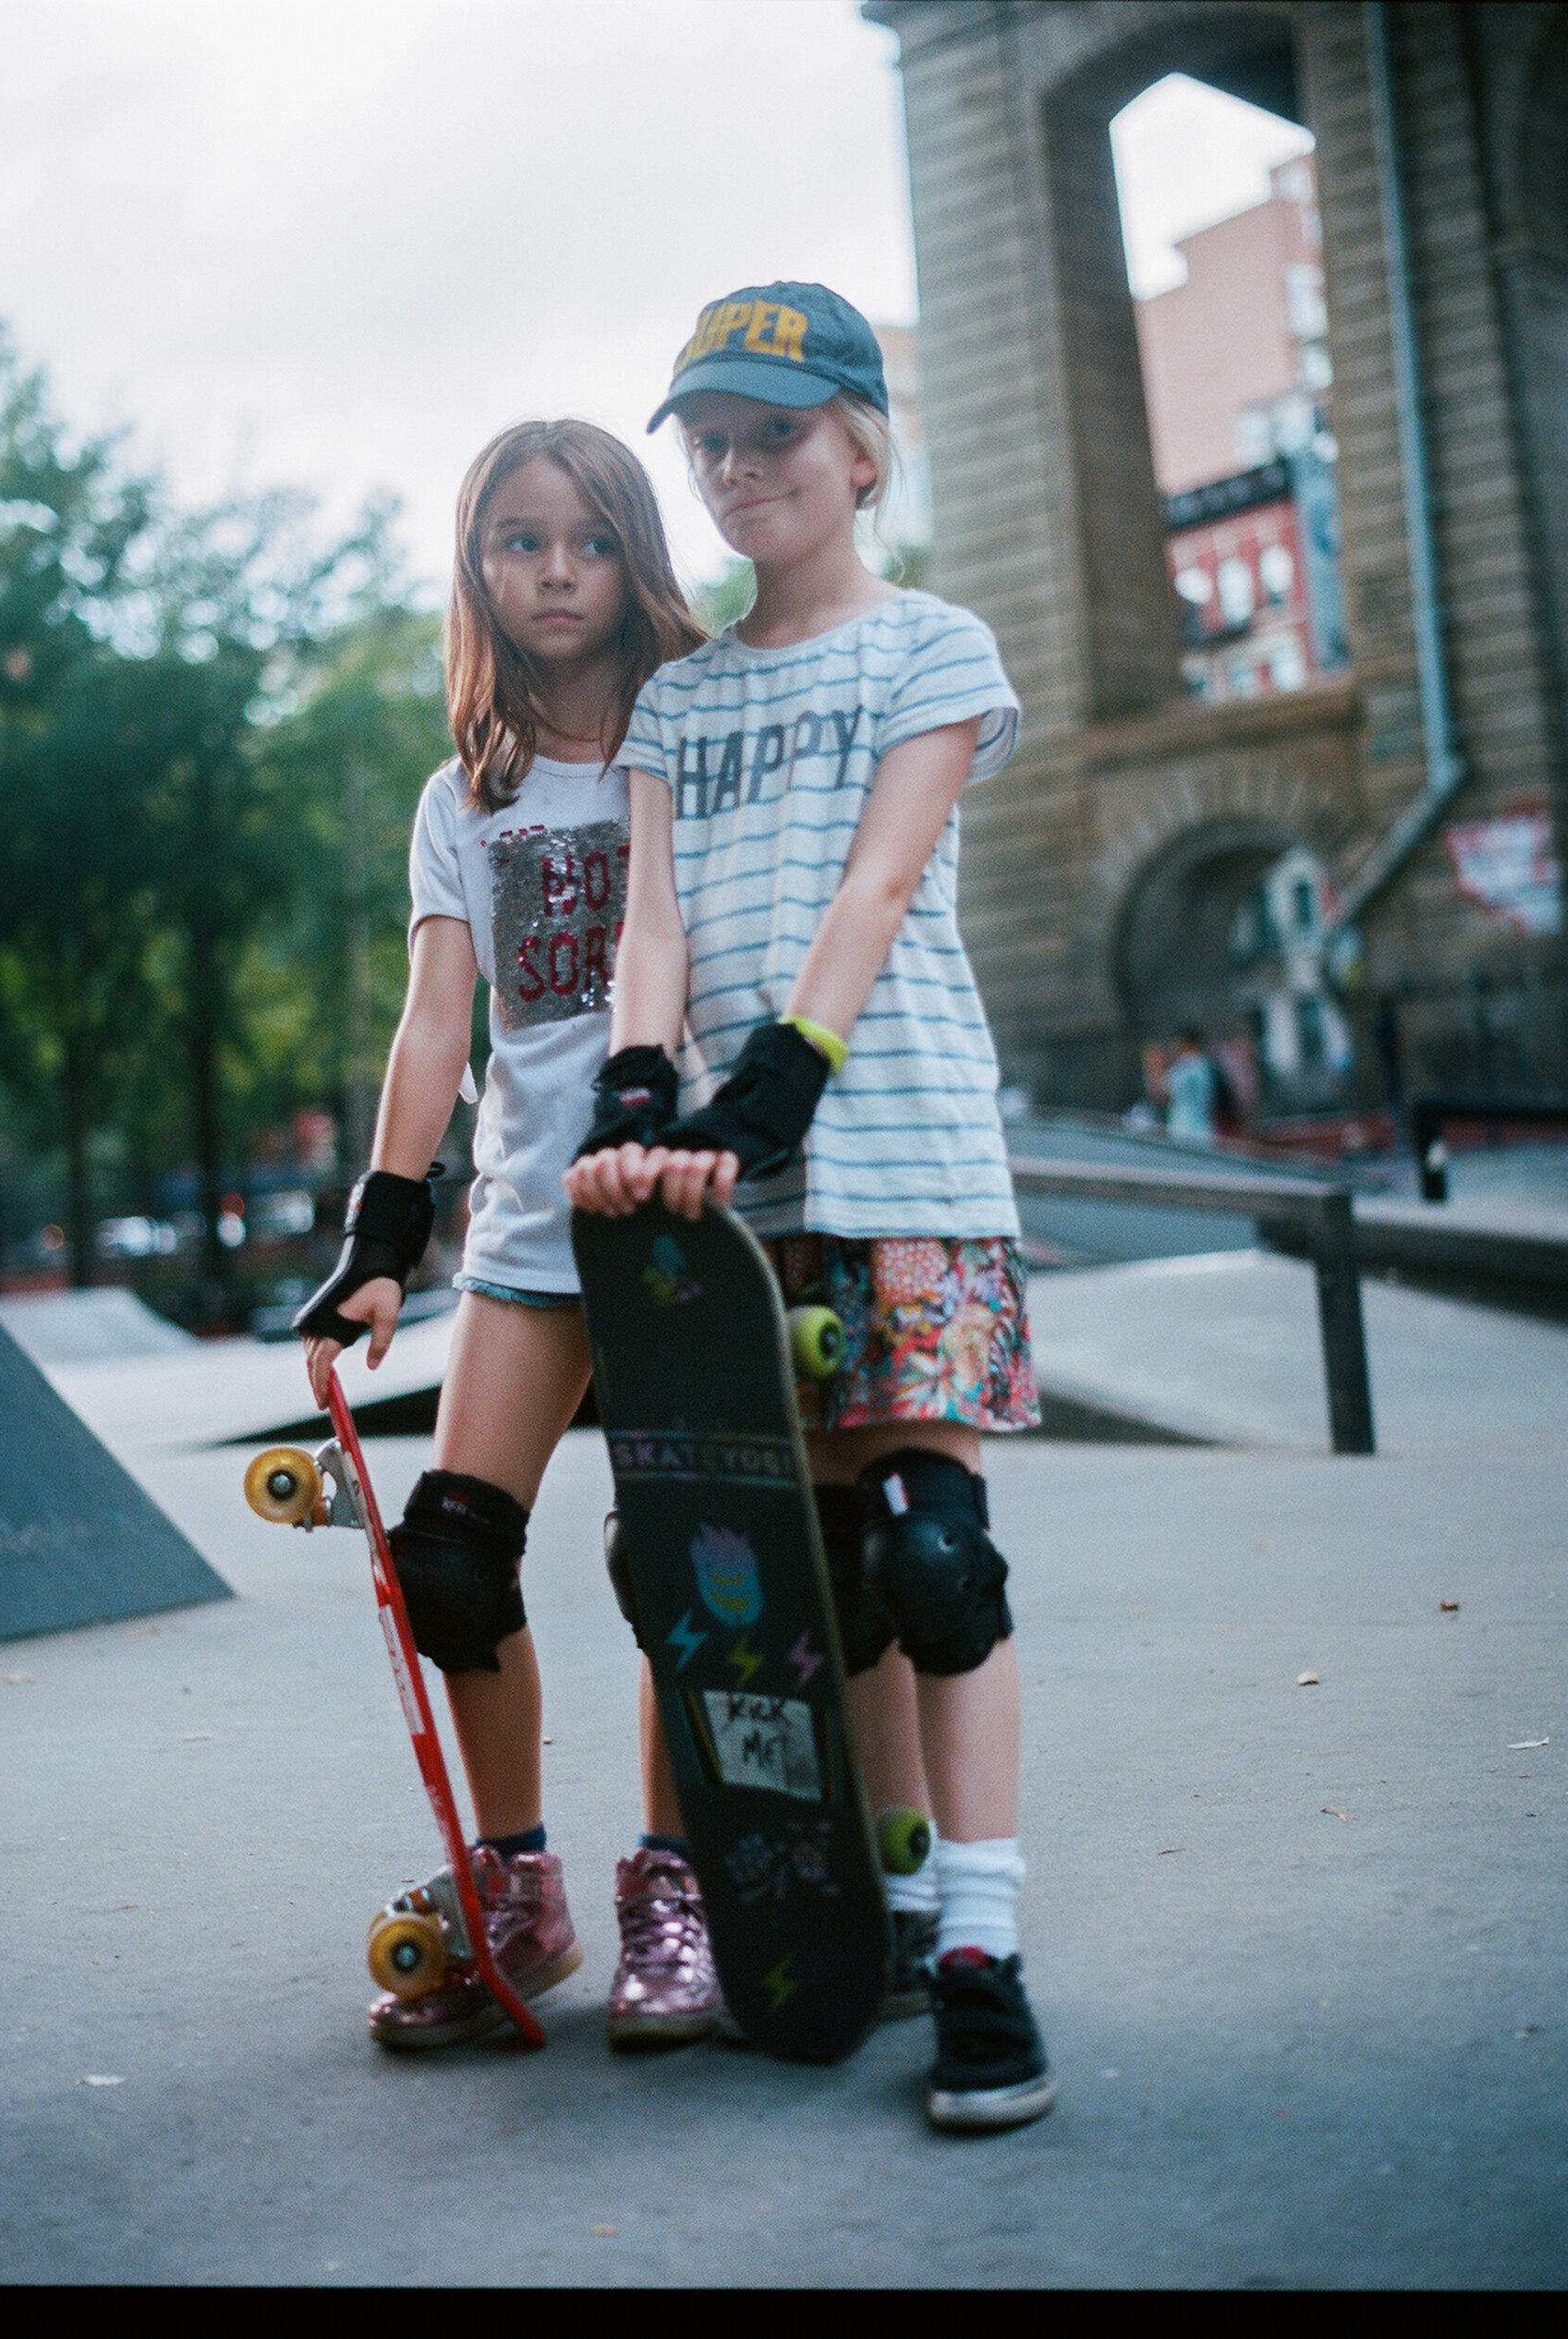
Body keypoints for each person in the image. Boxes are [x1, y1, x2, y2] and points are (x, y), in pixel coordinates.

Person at [564, 283, 1055, 2133]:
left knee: (939, 1560)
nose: (739, 462)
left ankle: (987, 1953)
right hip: (741, 1210)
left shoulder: (929, 646)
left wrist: (777, 1074)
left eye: (775, 430)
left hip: (902, 1150)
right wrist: (638, 1090)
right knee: (828, 1583)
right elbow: (653, 924)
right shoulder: (676, 697)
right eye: (710, 436)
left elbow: (874, 883)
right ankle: (890, 1887)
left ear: (858, 444)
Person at [296, 419, 708, 2051]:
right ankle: (520, 1888)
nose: (555, 571)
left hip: (682, 1212)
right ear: (476, 565)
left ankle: (680, 1888)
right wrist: (383, 1233)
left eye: (589, 539)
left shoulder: (700, 731)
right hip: (530, 1226)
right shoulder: (464, 789)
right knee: (453, 1558)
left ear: (635, 556)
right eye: (520, 541)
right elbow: (432, 1024)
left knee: (691, 1560)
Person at [1164, 1023, 1221, 1142]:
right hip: (1204, 1128)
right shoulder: (1204, 1065)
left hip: (1185, 1130)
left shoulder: (1186, 1066)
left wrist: (1152, 1063)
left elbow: (1162, 1093)